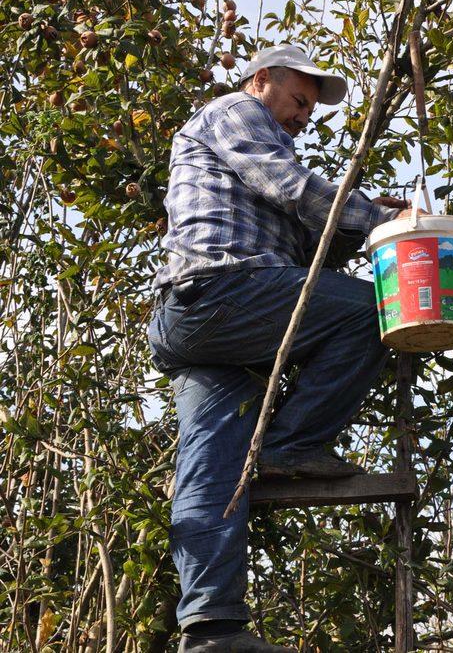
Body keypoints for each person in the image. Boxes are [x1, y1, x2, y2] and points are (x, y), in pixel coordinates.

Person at [147, 45, 410, 652]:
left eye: (310, 111)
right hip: (222, 290)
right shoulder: (236, 112)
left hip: (210, 319)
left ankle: (213, 628)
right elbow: (289, 185)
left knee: (211, 465)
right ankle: (292, 445)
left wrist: (365, 218)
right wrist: (373, 219)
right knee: (376, 311)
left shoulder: (257, 143)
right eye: (298, 100)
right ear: (262, 80)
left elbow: (307, 244)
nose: (302, 118)